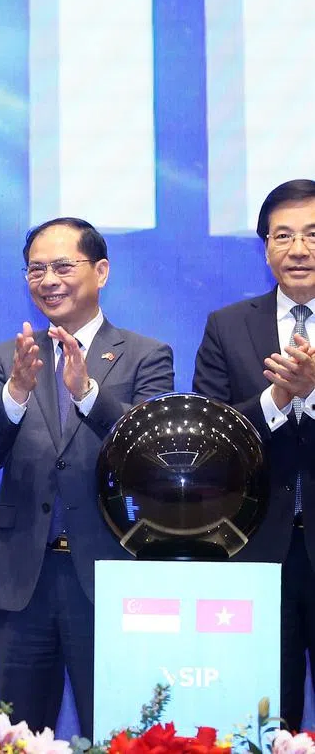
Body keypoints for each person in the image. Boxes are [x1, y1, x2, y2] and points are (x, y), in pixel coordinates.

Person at [0, 217, 173, 738]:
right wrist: (14, 394)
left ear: (100, 271)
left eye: (62, 266)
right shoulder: (6, 358)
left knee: (118, 731)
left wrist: (88, 396)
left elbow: (153, 459)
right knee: (18, 736)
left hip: (110, 570)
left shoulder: (146, 355)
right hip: (21, 578)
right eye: (36, 269)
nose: (48, 279)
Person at [193, 178, 315, 731]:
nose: (299, 249)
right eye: (283, 235)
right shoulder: (227, 325)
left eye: (313, 234)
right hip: (255, 554)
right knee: (265, 721)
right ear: (264, 246)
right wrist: (280, 397)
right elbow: (208, 443)